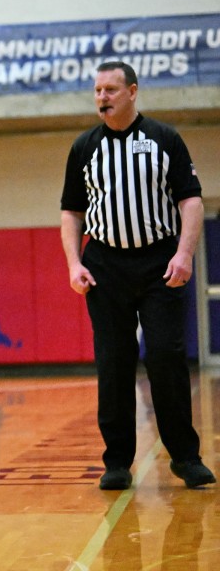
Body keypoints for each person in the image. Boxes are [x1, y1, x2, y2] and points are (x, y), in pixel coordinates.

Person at [60, 60, 215, 492]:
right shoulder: (84, 147)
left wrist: (184, 255)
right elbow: (71, 211)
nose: (102, 98)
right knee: (113, 363)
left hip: (159, 263)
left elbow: (192, 202)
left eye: (110, 89)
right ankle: (117, 462)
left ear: (132, 91)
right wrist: (75, 263)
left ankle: (186, 458)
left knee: (165, 356)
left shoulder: (164, 139)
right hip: (106, 266)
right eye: (96, 91)